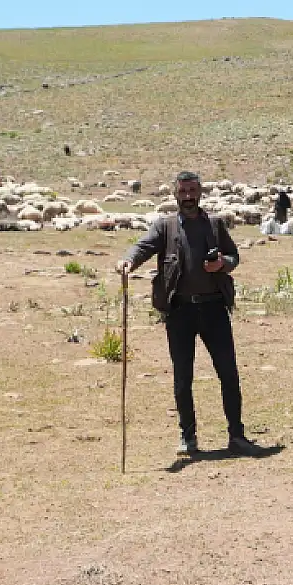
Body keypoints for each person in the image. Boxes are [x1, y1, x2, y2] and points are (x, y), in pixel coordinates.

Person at [116, 171, 261, 457]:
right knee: (183, 376)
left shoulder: (215, 225)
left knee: (228, 373)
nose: (188, 196)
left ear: (201, 192)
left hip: (214, 308)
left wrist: (222, 264)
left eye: (192, 191)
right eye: (183, 191)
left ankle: (237, 435)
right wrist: (129, 261)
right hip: (180, 310)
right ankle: (188, 437)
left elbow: (234, 257)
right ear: (175, 194)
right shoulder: (165, 227)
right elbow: (143, 246)